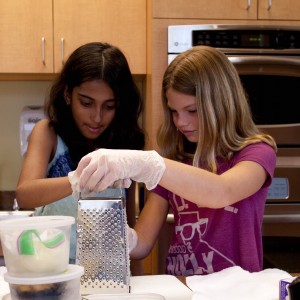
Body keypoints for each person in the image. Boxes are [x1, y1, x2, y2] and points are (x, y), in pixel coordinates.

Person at [73, 45, 277, 276]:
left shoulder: (256, 153)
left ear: (220, 104)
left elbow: (222, 192)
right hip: (181, 288)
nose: (180, 122)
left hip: (237, 292)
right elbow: (142, 245)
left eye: (191, 110)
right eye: (174, 111)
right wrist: (119, 235)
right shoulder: (174, 162)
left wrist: (148, 164)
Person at [16, 42, 145, 266]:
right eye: (86, 103)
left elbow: (127, 222)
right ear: (68, 94)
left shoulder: (127, 144)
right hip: (52, 266)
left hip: (106, 273)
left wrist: (135, 280)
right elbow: (25, 195)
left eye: (108, 106)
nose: (97, 117)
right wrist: (77, 181)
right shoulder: (48, 134)